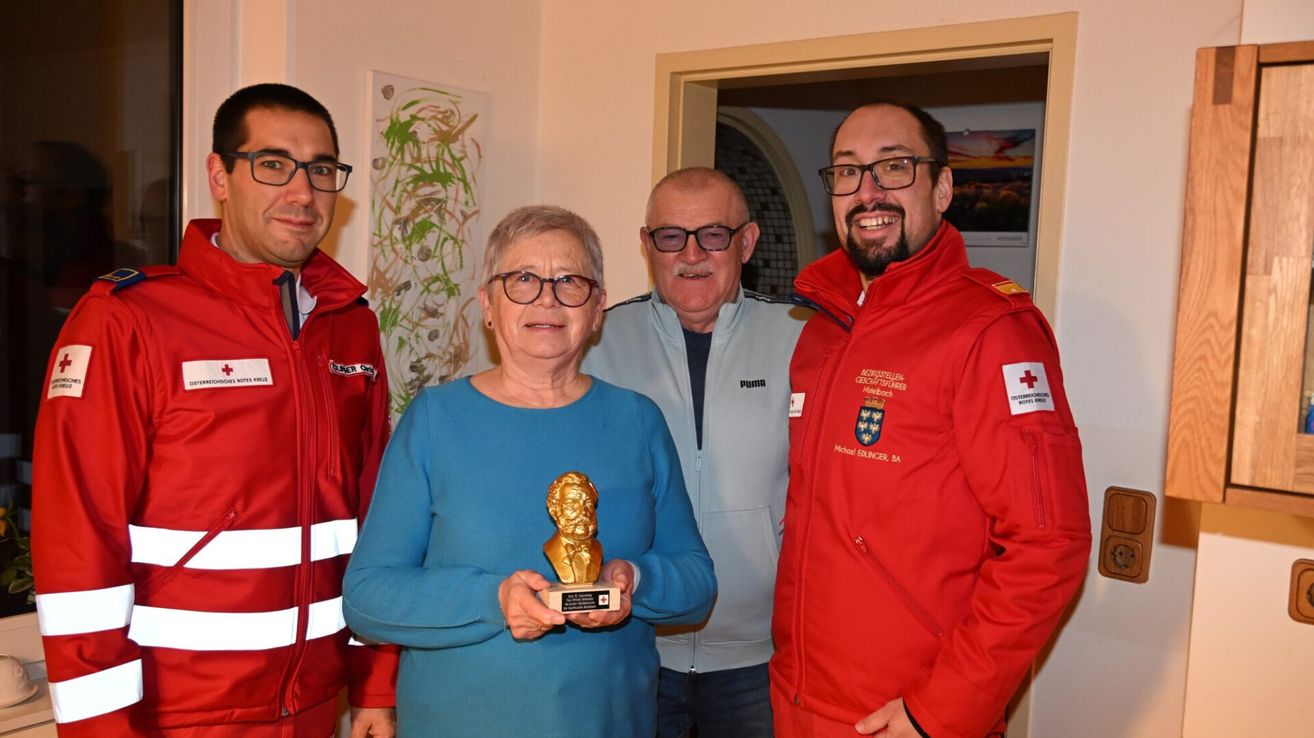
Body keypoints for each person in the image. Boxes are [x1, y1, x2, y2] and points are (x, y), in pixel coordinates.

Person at [31, 83, 397, 738]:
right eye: (273, 164)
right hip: (174, 717)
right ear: (218, 176)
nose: (303, 191)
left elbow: (375, 521)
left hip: (316, 707)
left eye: (321, 169)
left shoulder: (351, 327)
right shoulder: (126, 321)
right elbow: (77, 544)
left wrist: (374, 683)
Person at [772, 101, 1091, 738]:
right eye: (846, 172)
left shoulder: (991, 330)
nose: (868, 192)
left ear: (942, 188)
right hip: (802, 703)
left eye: (894, 167)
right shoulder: (819, 332)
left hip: (908, 716)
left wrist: (940, 712)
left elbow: (1049, 545)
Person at [342, 205, 717, 738]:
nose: (547, 298)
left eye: (570, 281)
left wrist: (634, 580)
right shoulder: (435, 419)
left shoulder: (637, 420)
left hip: (609, 722)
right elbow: (367, 597)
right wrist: (491, 601)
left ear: (598, 309)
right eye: (522, 280)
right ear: (488, 305)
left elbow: (697, 580)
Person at [583, 167, 807, 738]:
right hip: (632, 649)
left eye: (712, 234)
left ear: (747, 242)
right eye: (670, 236)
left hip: (760, 659)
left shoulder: (800, 337)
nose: (691, 254)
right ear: (646, 244)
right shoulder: (595, 342)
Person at [543, 471, 604, 583]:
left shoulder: (598, 549)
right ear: (554, 509)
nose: (583, 512)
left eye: (588, 503)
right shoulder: (550, 548)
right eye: (571, 503)